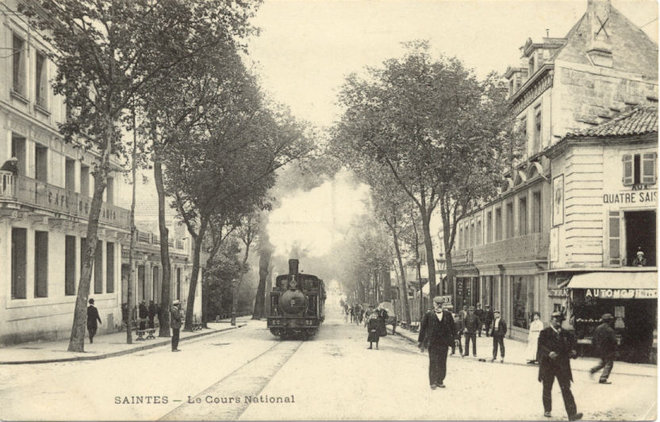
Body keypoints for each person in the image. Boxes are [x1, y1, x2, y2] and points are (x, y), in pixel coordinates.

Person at [537, 311, 582, 421]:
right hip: (548, 365)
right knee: (547, 387)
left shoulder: (567, 334)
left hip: (562, 366)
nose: (558, 322)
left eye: (560, 320)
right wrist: (548, 353)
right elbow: (540, 347)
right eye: (556, 319)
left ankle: (572, 414)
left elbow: (573, 346)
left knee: (566, 388)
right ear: (551, 320)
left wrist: (574, 352)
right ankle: (547, 409)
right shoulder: (545, 333)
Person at [418, 296, 456, 389]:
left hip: (444, 343)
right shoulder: (428, 315)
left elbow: (453, 328)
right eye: (437, 304)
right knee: (433, 361)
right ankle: (432, 382)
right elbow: (423, 329)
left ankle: (440, 380)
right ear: (433, 304)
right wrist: (421, 342)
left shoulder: (448, 315)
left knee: (442, 362)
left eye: (440, 304)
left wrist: (455, 339)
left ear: (443, 305)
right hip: (433, 343)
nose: (439, 306)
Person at [590, 313, 617, 384]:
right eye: (611, 320)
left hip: (600, 349)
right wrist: (615, 349)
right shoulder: (609, 329)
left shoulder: (598, 328)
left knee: (603, 363)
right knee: (609, 363)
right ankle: (603, 378)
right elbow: (614, 341)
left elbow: (593, 339)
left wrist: (595, 347)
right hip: (608, 349)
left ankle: (593, 370)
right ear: (609, 321)